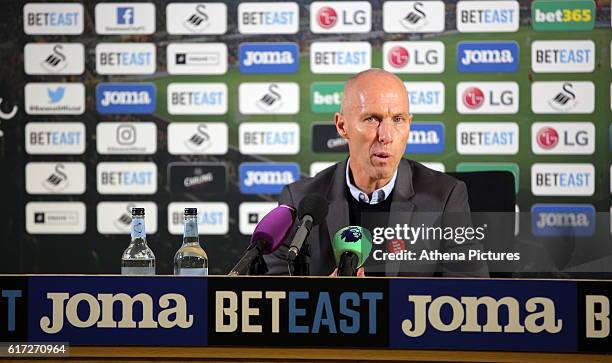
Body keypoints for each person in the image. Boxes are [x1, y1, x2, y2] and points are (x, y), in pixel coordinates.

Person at [264, 68, 489, 277]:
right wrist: (322, 297)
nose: (386, 135)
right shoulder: (300, 201)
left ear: (409, 125)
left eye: (398, 120)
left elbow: (470, 293)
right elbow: (271, 297)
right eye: (372, 119)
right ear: (342, 126)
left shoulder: (446, 197)